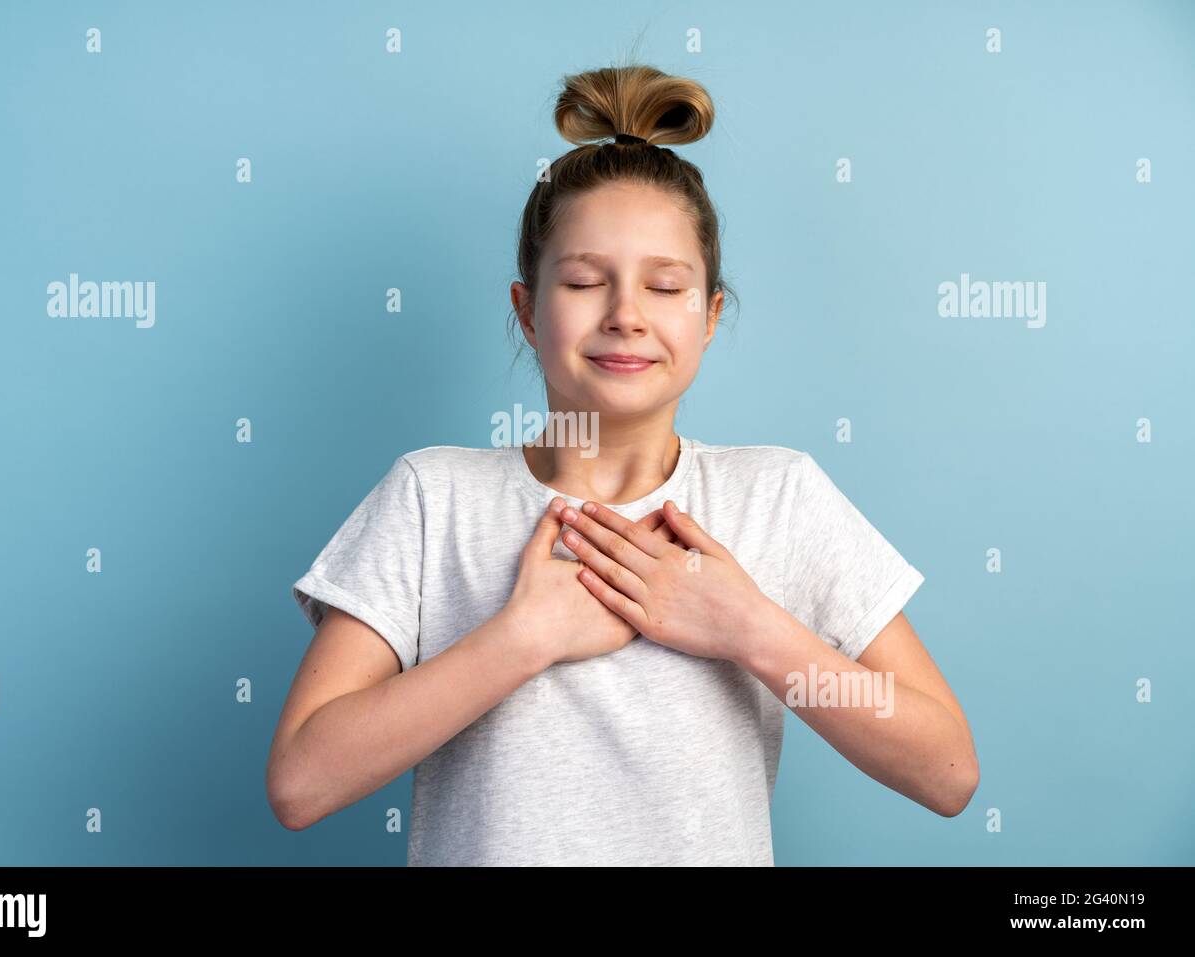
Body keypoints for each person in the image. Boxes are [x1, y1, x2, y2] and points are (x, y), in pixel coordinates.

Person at [266, 63, 978, 866]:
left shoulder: (779, 496)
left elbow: (947, 771)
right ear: (527, 311)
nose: (626, 315)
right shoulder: (434, 498)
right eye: (582, 281)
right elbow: (301, 781)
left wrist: (748, 628)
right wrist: (521, 639)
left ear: (709, 317)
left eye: (665, 286)